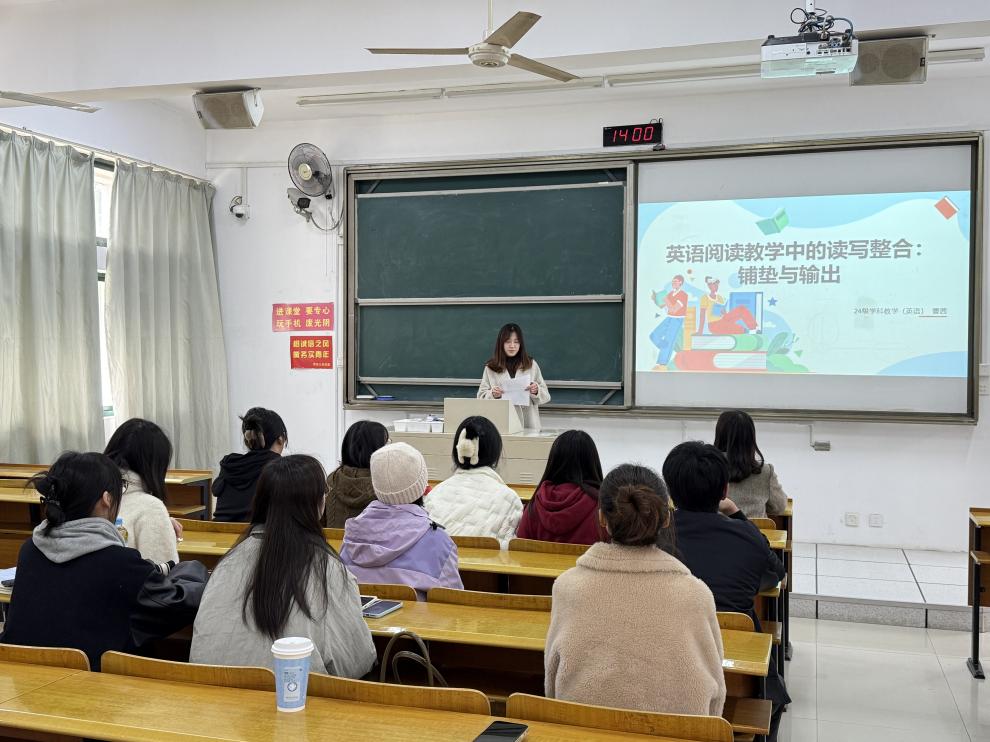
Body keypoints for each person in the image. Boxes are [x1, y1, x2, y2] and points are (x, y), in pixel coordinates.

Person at [545, 463, 725, 717]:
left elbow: (552, 686)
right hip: (677, 734)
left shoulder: (567, 587)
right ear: (666, 518)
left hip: (582, 730)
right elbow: (716, 696)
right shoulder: (695, 594)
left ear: (602, 518)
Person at [0, 452, 206, 670]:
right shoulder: (119, 562)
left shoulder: (30, 550)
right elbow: (178, 604)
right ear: (107, 499)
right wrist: (193, 569)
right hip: (95, 684)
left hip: (26, 680)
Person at [191, 455, 376, 678]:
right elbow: (357, 660)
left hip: (211, 688)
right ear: (316, 504)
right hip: (295, 695)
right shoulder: (327, 568)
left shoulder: (227, 564)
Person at [663, 441, 789, 741]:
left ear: (669, 491)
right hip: (735, 674)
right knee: (774, 696)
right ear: (724, 491)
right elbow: (776, 576)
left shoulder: (655, 534)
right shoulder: (745, 536)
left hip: (665, 661)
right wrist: (739, 516)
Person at [340, 442, 463, 599]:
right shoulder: (439, 542)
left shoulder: (351, 537)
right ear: (421, 485)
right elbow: (454, 601)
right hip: (418, 616)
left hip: (358, 615)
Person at [423, 416, 522, 546]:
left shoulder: (434, 494)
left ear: (457, 449)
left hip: (441, 559)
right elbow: (508, 549)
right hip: (487, 560)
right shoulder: (510, 499)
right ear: (494, 452)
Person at [103, 418, 181, 564]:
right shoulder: (150, 509)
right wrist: (159, 522)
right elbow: (162, 573)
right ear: (156, 465)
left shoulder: (88, 496)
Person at [516, 430, 603, 545]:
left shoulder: (536, 504)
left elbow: (520, 546)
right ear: (593, 462)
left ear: (554, 461)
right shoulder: (602, 506)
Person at [213, 407, 287, 522]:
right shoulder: (279, 467)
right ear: (281, 439)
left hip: (218, 531)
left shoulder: (229, 464)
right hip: (257, 532)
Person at [714, 409, 787, 518]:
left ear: (719, 434)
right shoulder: (765, 472)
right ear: (751, 438)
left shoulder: (706, 468)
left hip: (716, 528)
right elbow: (779, 507)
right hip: (754, 528)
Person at [477, 323, 550, 430]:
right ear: (501, 343)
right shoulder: (491, 367)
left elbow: (546, 396)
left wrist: (536, 391)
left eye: (516, 342)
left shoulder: (531, 364)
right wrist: (492, 394)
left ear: (521, 344)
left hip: (529, 425)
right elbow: (480, 397)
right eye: (508, 342)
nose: (512, 346)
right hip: (501, 424)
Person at [325, 420, 389, 528]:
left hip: (333, 539)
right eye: (386, 444)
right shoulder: (388, 487)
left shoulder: (331, 480)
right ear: (378, 450)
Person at [649, 274, 688, 370]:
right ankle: (666, 348)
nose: (673, 283)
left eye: (675, 281)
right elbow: (663, 306)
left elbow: (674, 309)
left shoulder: (683, 295)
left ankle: (662, 364)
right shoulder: (670, 294)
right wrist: (655, 299)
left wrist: (666, 300)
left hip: (677, 319)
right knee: (654, 335)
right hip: (669, 317)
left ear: (680, 283)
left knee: (669, 340)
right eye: (673, 281)